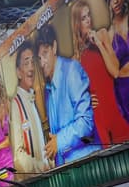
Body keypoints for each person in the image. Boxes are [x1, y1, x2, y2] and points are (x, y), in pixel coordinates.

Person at [36, 24, 100, 166]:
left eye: (45, 53)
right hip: (69, 172)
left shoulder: (71, 70)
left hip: (90, 165)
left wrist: (59, 141)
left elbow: (86, 122)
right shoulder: (48, 89)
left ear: (54, 47)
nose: (42, 63)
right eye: (39, 58)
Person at [71, 0, 129, 144]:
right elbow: (76, 97)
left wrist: (98, 44)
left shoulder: (102, 35)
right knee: (108, 160)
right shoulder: (76, 59)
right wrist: (88, 99)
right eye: (84, 18)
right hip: (98, 116)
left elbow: (115, 71)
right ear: (77, 24)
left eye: (89, 15)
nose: (88, 20)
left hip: (115, 107)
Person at [9, 40, 50, 179]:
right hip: (33, 182)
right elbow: (18, 156)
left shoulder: (32, 99)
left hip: (47, 176)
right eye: (26, 63)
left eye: (33, 62)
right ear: (19, 73)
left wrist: (49, 162)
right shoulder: (16, 104)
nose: (31, 68)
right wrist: (39, 166)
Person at [98, 0, 129, 123]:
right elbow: (115, 73)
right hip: (124, 90)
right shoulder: (109, 34)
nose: (115, 1)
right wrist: (99, 43)